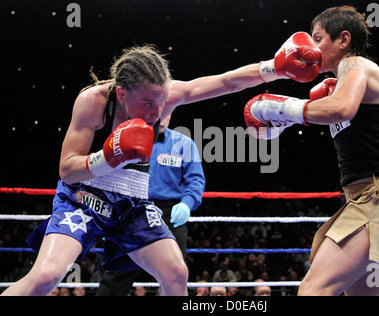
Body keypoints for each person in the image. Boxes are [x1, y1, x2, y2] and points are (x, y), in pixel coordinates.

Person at [2, 35, 322, 296]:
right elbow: (67, 169)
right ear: (123, 93)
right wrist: (108, 155)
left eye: (162, 101)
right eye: (148, 103)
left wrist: (274, 69)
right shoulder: (94, 102)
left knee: (175, 271)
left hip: (132, 207)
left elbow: (225, 82)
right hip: (83, 201)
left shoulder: (165, 98)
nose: (157, 112)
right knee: (45, 276)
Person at [244, 6, 379, 296]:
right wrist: (283, 120)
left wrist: (281, 107)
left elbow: (340, 109)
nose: (312, 47)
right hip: (377, 198)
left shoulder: (355, 65)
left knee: (313, 290)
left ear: (343, 39)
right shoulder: (339, 85)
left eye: (318, 38)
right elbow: (337, 115)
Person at [96, 114, 205, 296]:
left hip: (170, 213)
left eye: (168, 110)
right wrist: (110, 213)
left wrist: (187, 204)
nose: (162, 115)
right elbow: (109, 176)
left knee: (175, 273)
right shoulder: (125, 139)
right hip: (131, 210)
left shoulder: (184, 143)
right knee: (117, 273)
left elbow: (195, 180)